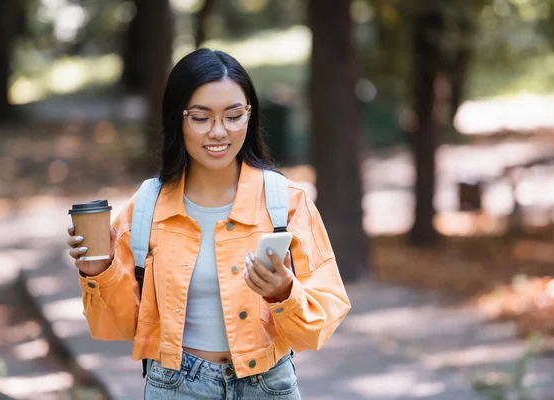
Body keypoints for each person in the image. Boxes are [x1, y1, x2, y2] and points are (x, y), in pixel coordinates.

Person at [66, 49, 351, 399]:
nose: (219, 132)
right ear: (177, 119)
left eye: (234, 115)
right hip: (176, 385)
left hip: (268, 385)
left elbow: (320, 324)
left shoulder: (286, 203)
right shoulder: (146, 207)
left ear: (250, 115)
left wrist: (284, 293)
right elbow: (120, 327)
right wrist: (100, 272)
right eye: (200, 118)